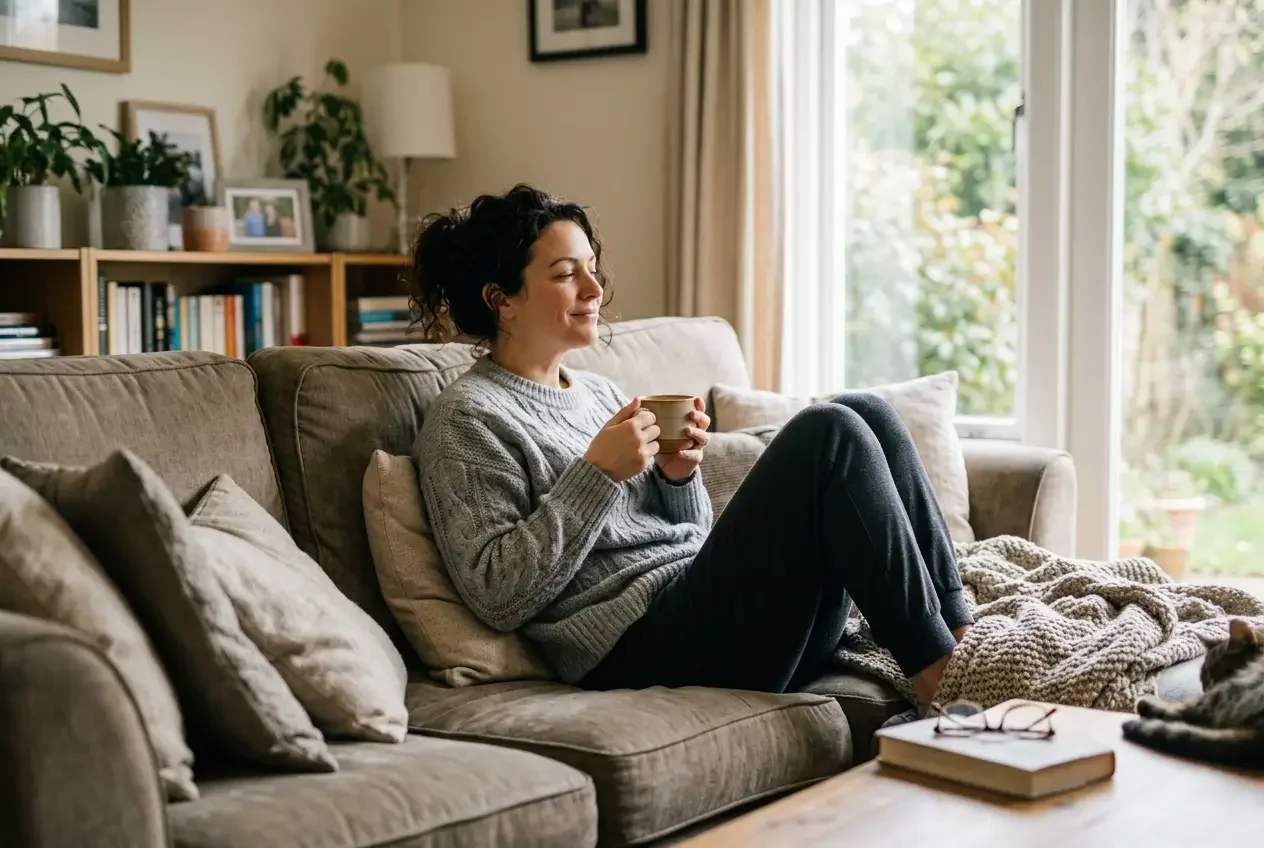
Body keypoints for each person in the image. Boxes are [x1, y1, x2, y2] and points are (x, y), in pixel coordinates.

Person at [410, 184, 972, 711]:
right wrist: (596, 476)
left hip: (700, 607)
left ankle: (956, 637)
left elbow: (691, 539)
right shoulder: (467, 418)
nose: (594, 290)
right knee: (828, 432)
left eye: (592, 269)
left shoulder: (597, 393)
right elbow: (497, 595)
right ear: (500, 299)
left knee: (867, 410)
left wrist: (678, 480)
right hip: (640, 647)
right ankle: (936, 678)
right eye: (565, 274)